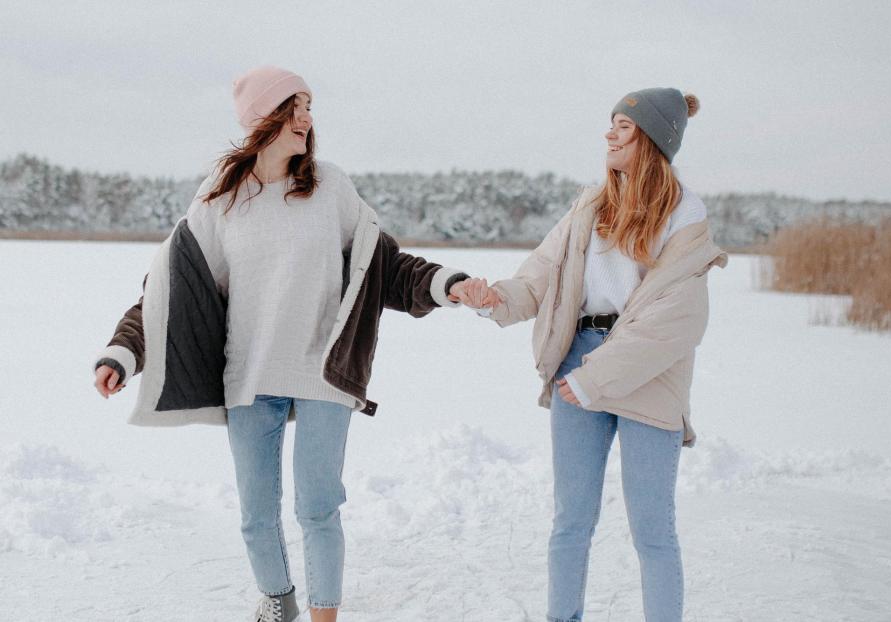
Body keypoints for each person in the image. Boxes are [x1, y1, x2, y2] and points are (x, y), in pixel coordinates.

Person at [92, 65, 485, 622]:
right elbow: (166, 293)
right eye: (294, 105)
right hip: (248, 376)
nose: (307, 117)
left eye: (308, 106)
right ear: (262, 118)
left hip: (323, 371)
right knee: (256, 514)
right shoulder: (219, 201)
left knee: (318, 507)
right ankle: (278, 601)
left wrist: (450, 284)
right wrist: (123, 353)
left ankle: (325, 614)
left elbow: (387, 266)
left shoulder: (330, 187)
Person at [462, 88, 727, 621]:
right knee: (570, 522)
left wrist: (593, 380)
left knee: (652, 529)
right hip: (577, 362)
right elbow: (541, 273)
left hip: (648, 375)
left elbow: (675, 323)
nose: (609, 133)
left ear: (651, 138)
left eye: (623, 127)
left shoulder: (686, 219)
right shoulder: (592, 205)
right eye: (610, 124)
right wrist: (498, 299)